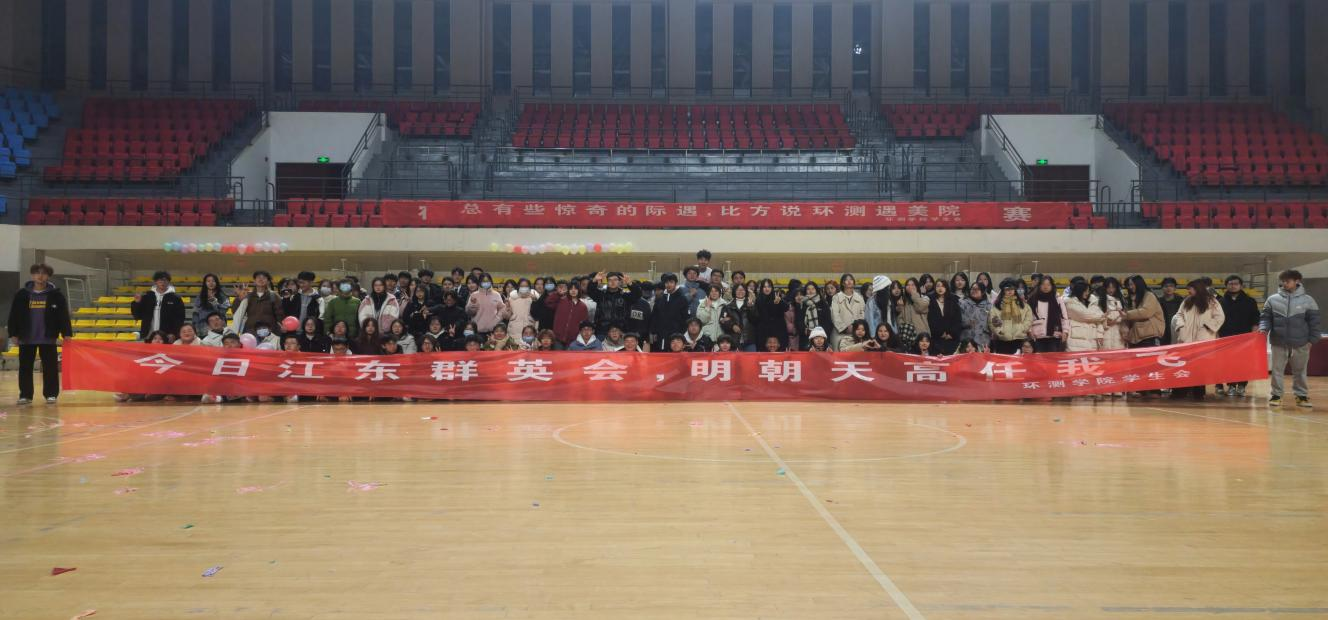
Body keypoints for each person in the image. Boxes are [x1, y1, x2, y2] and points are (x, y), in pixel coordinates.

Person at [7, 264, 73, 405]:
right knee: (25, 368)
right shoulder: (21, 294)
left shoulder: (56, 295)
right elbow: (14, 315)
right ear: (32, 275)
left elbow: (63, 316)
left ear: (48, 276)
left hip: (48, 338)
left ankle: (51, 394)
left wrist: (66, 333)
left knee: (50, 368)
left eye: (44, 273)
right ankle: (25, 395)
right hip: (26, 337)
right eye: (37, 273)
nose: (40, 276)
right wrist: (13, 333)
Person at [1261, 269, 1321, 408]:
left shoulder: (1308, 300)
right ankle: (1276, 395)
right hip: (1278, 342)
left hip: (1301, 343)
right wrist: (1264, 328)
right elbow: (1265, 317)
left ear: (1297, 281)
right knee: (1277, 371)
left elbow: (1315, 322)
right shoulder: (1272, 299)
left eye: (1287, 281)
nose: (1284, 284)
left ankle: (1302, 396)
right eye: (1283, 281)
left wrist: (1312, 340)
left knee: (1300, 371)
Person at [1171, 279, 1226, 401]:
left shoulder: (1212, 301)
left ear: (1197, 288)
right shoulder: (1187, 301)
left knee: (1199, 368)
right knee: (1184, 367)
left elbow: (1220, 317)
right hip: (1186, 339)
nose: (1188, 291)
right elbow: (1179, 314)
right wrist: (1181, 326)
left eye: (1190, 289)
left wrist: (1207, 327)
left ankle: (1198, 393)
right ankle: (1180, 392)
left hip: (1203, 339)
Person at [1216, 275, 1261, 397]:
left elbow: (1255, 318)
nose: (1233, 286)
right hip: (1226, 337)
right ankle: (1231, 385)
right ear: (1226, 286)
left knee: (1243, 363)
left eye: (1236, 284)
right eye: (1230, 284)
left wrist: (1253, 333)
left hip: (1244, 337)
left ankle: (1242, 385)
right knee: (1228, 362)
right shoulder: (1220, 302)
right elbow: (1217, 320)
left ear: (1241, 285)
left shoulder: (1250, 301)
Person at [131, 270, 186, 340]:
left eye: (165, 280)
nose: (162, 282)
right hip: (149, 336)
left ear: (168, 282)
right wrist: (137, 303)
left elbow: (180, 319)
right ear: (155, 282)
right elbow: (137, 316)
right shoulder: (148, 297)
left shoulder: (175, 298)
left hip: (166, 337)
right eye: (160, 280)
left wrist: (174, 333)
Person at [989, 278, 1032, 354]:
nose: (1010, 291)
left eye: (1012, 289)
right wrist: (1000, 332)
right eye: (1007, 289)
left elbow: (1028, 319)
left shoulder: (1024, 306)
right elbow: (993, 321)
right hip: (1002, 341)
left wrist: (1023, 329)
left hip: (1020, 339)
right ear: (1003, 291)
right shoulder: (997, 307)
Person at [650, 274, 690, 352]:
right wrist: (654, 331)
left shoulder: (682, 299)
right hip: (661, 335)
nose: (669, 285)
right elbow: (654, 317)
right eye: (666, 282)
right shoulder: (660, 299)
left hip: (676, 336)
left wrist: (681, 333)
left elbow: (686, 318)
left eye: (671, 282)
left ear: (675, 283)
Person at [544, 280, 590, 346]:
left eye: (575, 289)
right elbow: (548, 302)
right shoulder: (561, 301)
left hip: (573, 340)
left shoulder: (583, 306)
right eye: (571, 289)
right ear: (568, 290)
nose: (573, 291)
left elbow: (584, 324)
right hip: (557, 338)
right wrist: (558, 293)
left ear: (579, 290)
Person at [1028, 276, 1066, 353]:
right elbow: (1028, 318)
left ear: (1052, 286)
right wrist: (1029, 331)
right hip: (1037, 336)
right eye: (1043, 284)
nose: (1046, 287)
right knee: (1038, 360)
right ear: (1039, 285)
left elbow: (1064, 317)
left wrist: (1065, 331)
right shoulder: (1032, 299)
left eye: (1048, 285)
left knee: (1053, 359)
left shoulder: (1058, 299)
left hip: (1054, 335)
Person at [1064, 281, 1105, 353]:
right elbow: (1085, 316)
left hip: (1092, 339)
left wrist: (1100, 334)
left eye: (1088, 291)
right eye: (1085, 291)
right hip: (1076, 340)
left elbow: (1099, 322)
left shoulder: (1093, 302)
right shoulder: (1069, 302)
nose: (1087, 293)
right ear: (1079, 290)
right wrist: (1102, 316)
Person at [829, 274, 866, 351]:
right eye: (846, 280)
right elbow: (835, 315)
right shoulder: (836, 297)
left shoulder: (860, 297)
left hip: (856, 333)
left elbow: (862, 313)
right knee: (838, 356)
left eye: (851, 279)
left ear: (854, 282)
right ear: (843, 283)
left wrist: (856, 327)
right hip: (839, 333)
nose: (849, 281)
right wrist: (844, 328)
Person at [927, 279, 963, 354]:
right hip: (936, 338)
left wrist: (952, 334)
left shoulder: (953, 300)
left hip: (952, 338)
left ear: (946, 287)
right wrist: (940, 333)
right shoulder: (930, 299)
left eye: (943, 286)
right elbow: (930, 319)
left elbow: (957, 319)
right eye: (938, 286)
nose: (940, 288)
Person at [720, 284, 756, 351]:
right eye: (738, 290)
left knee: (751, 357)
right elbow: (722, 321)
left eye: (742, 290)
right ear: (734, 291)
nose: (740, 292)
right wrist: (732, 325)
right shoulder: (728, 306)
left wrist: (750, 308)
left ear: (746, 291)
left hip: (749, 339)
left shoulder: (751, 304)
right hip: (733, 340)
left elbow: (755, 320)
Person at [899, 278, 931, 351]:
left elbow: (920, 308)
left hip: (922, 335)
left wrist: (914, 295)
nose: (910, 287)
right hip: (907, 335)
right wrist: (904, 327)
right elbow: (899, 317)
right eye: (908, 285)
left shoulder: (924, 298)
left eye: (913, 285)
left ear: (917, 286)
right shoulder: (903, 300)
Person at [959, 283, 992, 352]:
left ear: (983, 291)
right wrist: (968, 322)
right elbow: (958, 320)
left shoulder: (989, 306)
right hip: (967, 340)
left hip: (983, 341)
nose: (974, 291)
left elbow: (992, 323)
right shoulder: (962, 303)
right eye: (972, 289)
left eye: (977, 289)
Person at [1097, 277, 1127, 353]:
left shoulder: (1121, 300)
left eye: (1113, 287)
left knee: (1119, 355)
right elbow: (1099, 318)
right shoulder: (1101, 300)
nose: (1111, 290)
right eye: (1109, 287)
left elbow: (1125, 317)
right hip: (1106, 332)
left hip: (1119, 332)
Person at [1157, 277, 1184, 344]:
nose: (1168, 288)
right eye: (1166, 286)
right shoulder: (1158, 302)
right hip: (1163, 332)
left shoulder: (1181, 301)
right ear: (1162, 288)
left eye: (1171, 286)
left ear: (1175, 288)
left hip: (1177, 330)